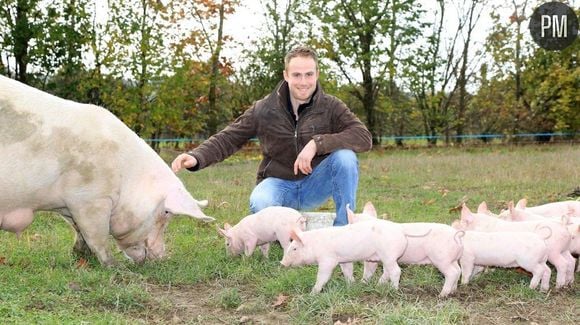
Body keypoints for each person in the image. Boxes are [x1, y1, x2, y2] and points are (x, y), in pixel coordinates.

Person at [171, 45, 372, 226]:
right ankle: (284, 226)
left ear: (317, 74)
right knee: (260, 203)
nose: (303, 82)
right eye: (297, 75)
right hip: (278, 184)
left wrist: (317, 144)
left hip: (315, 183)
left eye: (309, 74)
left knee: (346, 157)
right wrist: (197, 157)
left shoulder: (331, 106)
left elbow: (363, 137)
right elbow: (229, 137)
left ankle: (342, 230)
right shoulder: (264, 109)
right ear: (286, 75)